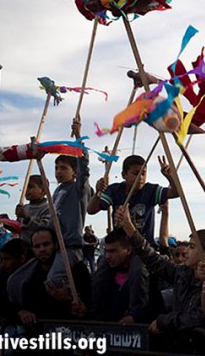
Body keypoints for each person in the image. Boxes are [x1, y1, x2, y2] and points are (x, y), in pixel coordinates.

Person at [114, 205, 205, 354]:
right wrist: (129, 228)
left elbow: (198, 317)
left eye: (191, 247)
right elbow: (153, 259)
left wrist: (163, 322)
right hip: (179, 346)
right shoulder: (182, 273)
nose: (185, 251)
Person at [7, 228, 91, 335]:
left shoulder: (76, 269)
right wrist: (21, 312)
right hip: (37, 337)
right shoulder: (27, 274)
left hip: (67, 336)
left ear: (56, 245)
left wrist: (67, 300)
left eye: (46, 244)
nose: (42, 249)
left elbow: (88, 305)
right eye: (37, 246)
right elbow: (10, 303)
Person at [87, 154, 178, 246]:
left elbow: (176, 193)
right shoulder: (115, 190)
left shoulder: (151, 191)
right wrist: (98, 193)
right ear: (124, 175)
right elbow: (91, 210)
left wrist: (170, 177)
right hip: (120, 247)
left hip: (144, 247)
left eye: (143, 173)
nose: (140, 178)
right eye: (136, 173)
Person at [47, 117, 92, 287]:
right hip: (52, 247)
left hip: (70, 248)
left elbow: (84, 169)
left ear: (74, 172)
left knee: (54, 281)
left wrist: (78, 137)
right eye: (56, 168)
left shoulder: (79, 189)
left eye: (64, 168)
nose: (58, 172)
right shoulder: (57, 191)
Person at [90, 229, 149, 323]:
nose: (107, 256)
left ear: (128, 250)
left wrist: (136, 318)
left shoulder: (144, 276)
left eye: (113, 251)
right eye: (106, 251)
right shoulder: (104, 276)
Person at [14, 175, 50, 245]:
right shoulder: (24, 208)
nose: (26, 189)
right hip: (23, 248)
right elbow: (18, 228)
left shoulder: (48, 208)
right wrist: (7, 223)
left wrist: (26, 218)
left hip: (39, 249)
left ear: (43, 191)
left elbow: (44, 229)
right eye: (25, 186)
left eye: (30, 187)